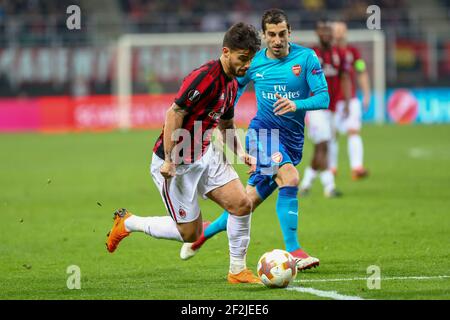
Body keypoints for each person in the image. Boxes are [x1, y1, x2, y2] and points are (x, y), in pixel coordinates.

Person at [105, 22, 262, 284]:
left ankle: (237, 271)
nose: (246, 65)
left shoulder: (232, 85)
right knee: (190, 234)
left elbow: (226, 124)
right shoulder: (204, 78)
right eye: (242, 58)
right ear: (226, 52)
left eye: (250, 59)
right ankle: (128, 223)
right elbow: (174, 113)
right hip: (176, 164)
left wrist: (242, 153)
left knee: (242, 204)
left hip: (206, 154)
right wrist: (169, 160)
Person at [180, 8, 330, 271]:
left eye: (282, 33)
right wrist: (219, 124)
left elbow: (323, 97)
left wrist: (296, 104)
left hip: (292, 141)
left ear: (289, 33)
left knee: (246, 203)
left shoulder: (307, 58)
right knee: (290, 177)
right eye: (271, 34)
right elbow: (230, 97)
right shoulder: (255, 64)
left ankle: (203, 234)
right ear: (264, 35)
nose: (277, 40)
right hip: (263, 134)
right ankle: (294, 250)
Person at [299, 18, 351, 197]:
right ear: (317, 33)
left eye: (328, 31)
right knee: (324, 144)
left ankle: (306, 183)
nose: (326, 35)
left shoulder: (340, 54)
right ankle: (329, 187)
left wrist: (347, 103)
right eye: (322, 31)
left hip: (333, 107)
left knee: (322, 146)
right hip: (315, 107)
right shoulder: (310, 54)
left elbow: (344, 77)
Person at [329, 21, 370, 180]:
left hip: (351, 99)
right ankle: (331, 168)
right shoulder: (326, 53)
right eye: (336, 30)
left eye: (341, 30)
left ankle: (357, 167)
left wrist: (366, 94)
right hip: (331, 101)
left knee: (353, 131)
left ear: (345, 32)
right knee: (332, 135)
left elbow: (362, 72)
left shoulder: (353, 52)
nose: (339, 33)